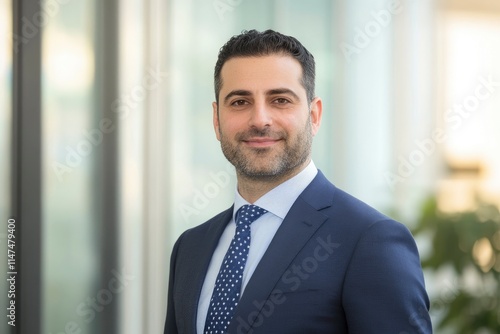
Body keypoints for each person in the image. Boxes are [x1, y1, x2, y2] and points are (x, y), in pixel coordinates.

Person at [164, 29, 431, 334]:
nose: (260, 119)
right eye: (239, 102)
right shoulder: (190, 247)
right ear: (216, 120)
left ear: (314, 115)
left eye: (280, 100)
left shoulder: (370, 240)